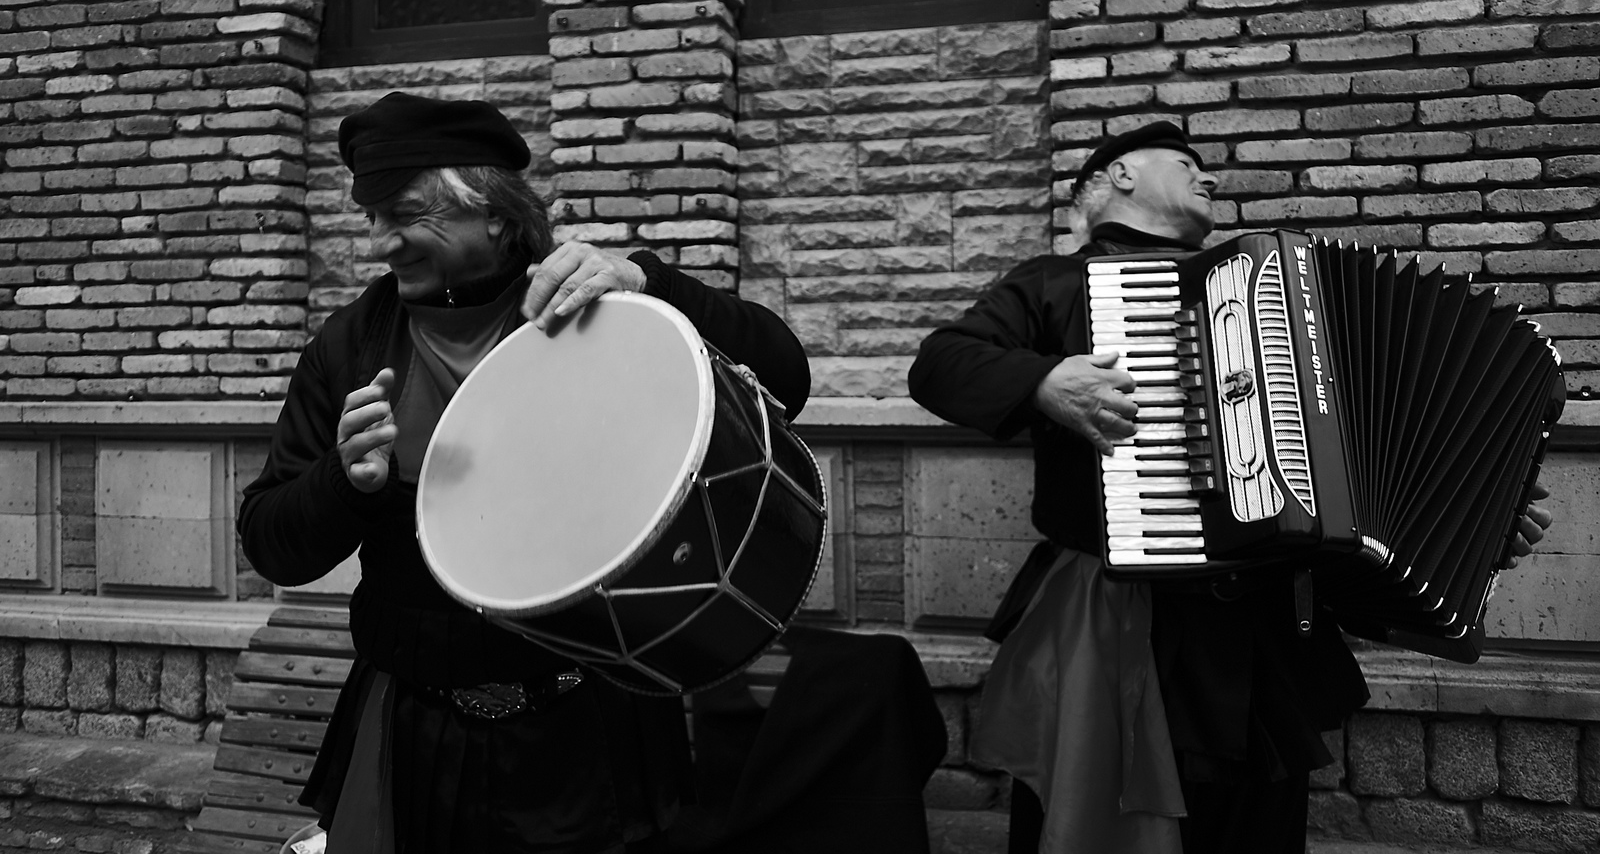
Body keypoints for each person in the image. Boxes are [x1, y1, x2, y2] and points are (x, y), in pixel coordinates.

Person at [907, 122, 1553, 854]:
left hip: (1259, 641)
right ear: (1116, 176)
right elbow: (939, 363)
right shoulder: (1052, 283)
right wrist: (1044, 380)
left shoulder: (1267, 290)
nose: (1209, 178)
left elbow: (1352, 474)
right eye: (1186, 163)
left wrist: (1477, 520)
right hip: (1123, 627)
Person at [238, 91, 810, 853]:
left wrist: (652, 283)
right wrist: (342, 482)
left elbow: (787, 381)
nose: (381, 242)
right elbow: (271, 541)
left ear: (497, 214)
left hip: (594, 735)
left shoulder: (594, 308)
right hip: (415, 734)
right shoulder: (348, 348)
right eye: (371, 218)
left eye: (406, 214)